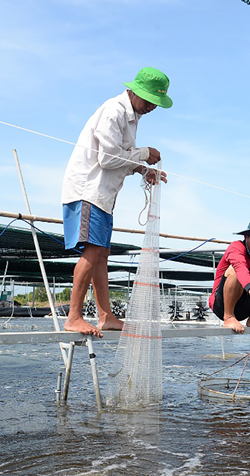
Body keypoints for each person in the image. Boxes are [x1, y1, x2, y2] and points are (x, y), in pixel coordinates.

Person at [60, 67, 171, 337]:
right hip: (88, 190)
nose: (150, 107)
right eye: (148, 100)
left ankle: (106, 316)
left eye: (155, 103)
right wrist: (145, 154)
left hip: (104, 194)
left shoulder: (131, 115)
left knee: (102, 254)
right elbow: (107, 159)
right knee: (93, 252)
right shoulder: (114, 111)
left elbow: (122, 156)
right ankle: (73, 316)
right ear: (133, 91)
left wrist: (144, 170)